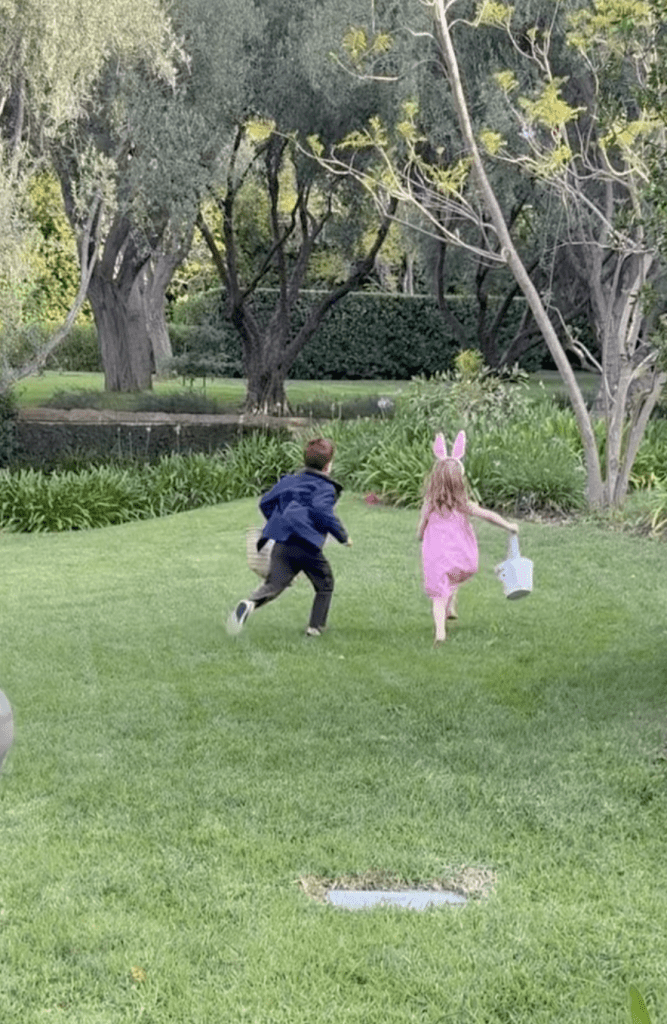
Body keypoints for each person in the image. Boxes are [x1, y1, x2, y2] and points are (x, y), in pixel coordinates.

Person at [226, 437, 352, 637]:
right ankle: (315, 627)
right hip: (307, 547)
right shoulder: (324, 488)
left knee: (275, 584)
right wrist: (343, 537)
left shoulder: (289, 481)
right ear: (328, 466)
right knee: (325, 583)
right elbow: (323, 512)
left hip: (283, 543)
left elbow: (265, 502)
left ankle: (249, 604)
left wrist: (278, 520)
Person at [418, 431, 518, 645]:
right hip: (460, 554)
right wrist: (509, 526)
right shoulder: (464, 504)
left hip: (435, 554)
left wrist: (420, 535)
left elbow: (422, 523)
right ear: (459, 482)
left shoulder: (431, 504)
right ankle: (450, 607)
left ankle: (440, 632)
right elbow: (489, 516)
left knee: (439, 593)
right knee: (453, 577)